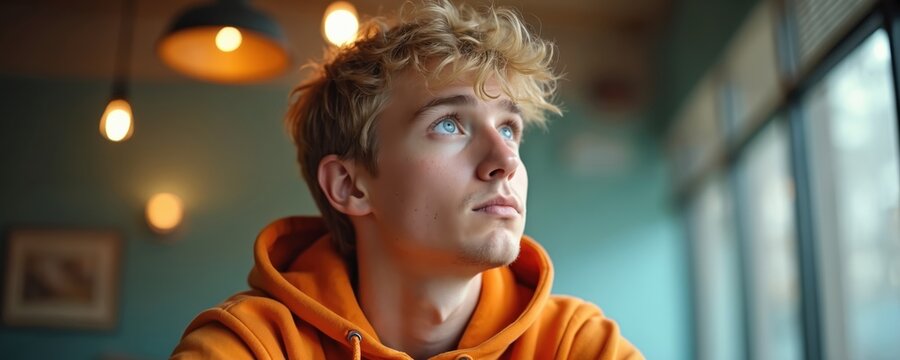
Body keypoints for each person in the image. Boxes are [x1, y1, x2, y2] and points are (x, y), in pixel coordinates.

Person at [171, 0, 643, 359]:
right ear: (350, 186)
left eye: (508, 128)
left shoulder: (574, 344)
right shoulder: (253, 346)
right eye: (449, 124)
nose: (505, 160)